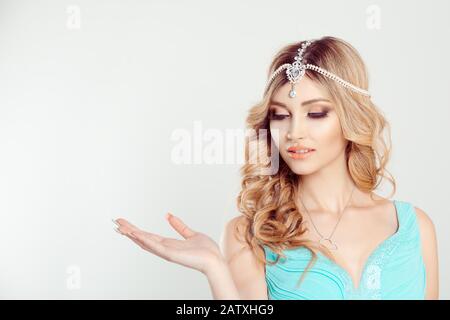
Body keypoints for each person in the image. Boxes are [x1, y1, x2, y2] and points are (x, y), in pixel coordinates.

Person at [113, 36, 439, 300]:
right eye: (281, 115)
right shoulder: (249, 235)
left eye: (316, 113)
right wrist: (215, 268)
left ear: (351, 118)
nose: (294, 131)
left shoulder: (414, 227)